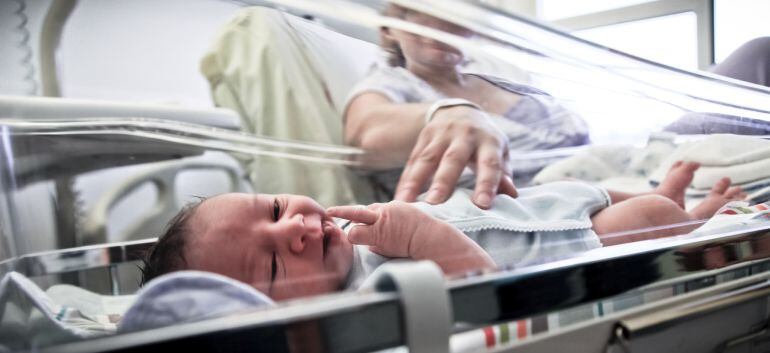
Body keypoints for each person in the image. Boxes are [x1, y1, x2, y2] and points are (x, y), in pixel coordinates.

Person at [139, 161, 745, 301]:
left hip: (533, 209)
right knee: (647, 220)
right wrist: (428, 242)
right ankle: (695, 217)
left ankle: (672, 198)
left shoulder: (344, 227)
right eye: (273, 266)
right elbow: (485, 298)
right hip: (566, 247)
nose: (294, 228)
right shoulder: (367, 302)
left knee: (602, 185)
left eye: (273, 208)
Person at [343, 4, 590, 209]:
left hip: (595, 175)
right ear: (389, 29)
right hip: (537, 207)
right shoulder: (393, 83)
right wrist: (449, 115)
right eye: (420, 11)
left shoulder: (500, 78)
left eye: (452, 13)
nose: (438, 25)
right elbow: (364, 132)